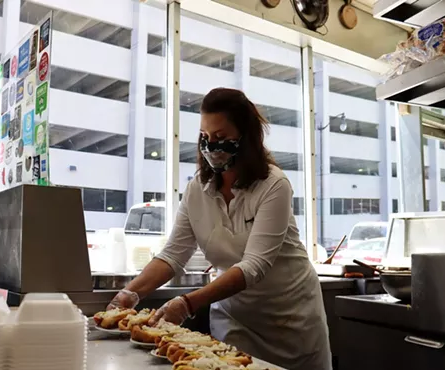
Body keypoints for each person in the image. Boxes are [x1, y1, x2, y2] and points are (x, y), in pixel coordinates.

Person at [107, 88, 332, 370]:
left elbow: (254, 265)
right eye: (206, 137)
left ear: (246, 137)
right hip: (235, 318)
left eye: (222, 138)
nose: (212, 146)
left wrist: (187, 303)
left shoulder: (274, 185)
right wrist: (130, 293)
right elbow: (174, 255)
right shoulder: (196, 190)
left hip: (291, 318)